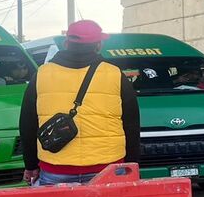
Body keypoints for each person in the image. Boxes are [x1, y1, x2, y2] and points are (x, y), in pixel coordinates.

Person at [19, 20, 140, 186]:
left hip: (56, 167)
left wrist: (31, 165)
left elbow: (28, 123)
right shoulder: (115, 74)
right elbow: (131, 125)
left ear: (66, 43)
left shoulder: (42, 74)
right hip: (108, 167)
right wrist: (133, 164)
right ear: (98, 45)